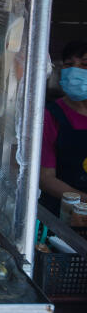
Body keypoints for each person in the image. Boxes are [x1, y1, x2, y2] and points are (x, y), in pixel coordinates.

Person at [40, 40, 87, 215]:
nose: (75, 71)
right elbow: (45, 178)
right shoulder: (51, 115)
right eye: (69, 65)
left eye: (85, 64)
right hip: (59, 216)